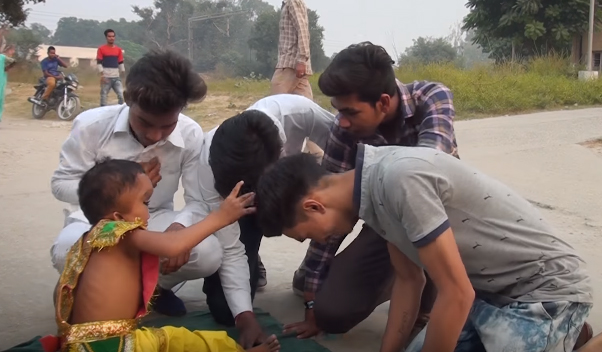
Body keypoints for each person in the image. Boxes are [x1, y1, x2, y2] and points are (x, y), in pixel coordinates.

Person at [255, 147, 593, 352]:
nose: (318, 241)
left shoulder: (399, 180)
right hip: (490, 297)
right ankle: (561, 338)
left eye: (306, 235)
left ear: (314, 207)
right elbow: (408, 281)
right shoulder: (373, 192)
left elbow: (456, 294)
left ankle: (575, 334)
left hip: (544, 292)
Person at [49, 49, 267, 347]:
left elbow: (195, 202)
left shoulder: (191, 134)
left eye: (167, 125)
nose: (155, 135)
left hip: (154, 219)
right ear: (128, 99)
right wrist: (116, 187)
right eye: (145, 123)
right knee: (66, 250)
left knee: (207, 253)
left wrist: (179, 226)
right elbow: (61, 184)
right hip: (95, 222)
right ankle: (101, 297)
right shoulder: (91, 125)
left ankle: (152, 291)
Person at [289, 41, 458, 341]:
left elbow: (428, 169)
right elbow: (331, 206)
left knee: (443, 305)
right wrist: (313, 292)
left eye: (350, 112)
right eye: (337, 110)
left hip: (441, 223)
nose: (341, 121)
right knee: (330, 311)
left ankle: (421, 289)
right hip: (388, 227)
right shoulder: (344, 131)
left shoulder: (432, 98)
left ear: (382, 102)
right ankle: (398, 276)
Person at [50, 158, 280, 352]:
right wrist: (221, 217)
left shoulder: (88, 241)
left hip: (78, 344)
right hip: (115, 345)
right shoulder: (120, 231)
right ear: (119, 217)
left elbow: (60, 293)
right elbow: (173, 246)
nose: (148, 210)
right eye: (145, 202)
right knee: (187, 341)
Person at [205, 94, 335, 291]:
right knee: (227, 302)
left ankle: (310, 272)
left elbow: (339, 146)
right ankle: (250, 260)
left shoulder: (299, 112)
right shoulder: (226, 147)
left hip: (289, 184)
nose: (301, 238)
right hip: (250, 193)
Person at [271, 0, 312, 100]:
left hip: (290, 63)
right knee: (305, 105)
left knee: (276, 101)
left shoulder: (293, 2)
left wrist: (302, 59)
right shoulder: (289, 3)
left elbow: (302, 29)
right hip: (292, 64)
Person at [97, 28, 125, 106]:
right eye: (109, 36)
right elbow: (99, 62)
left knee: (121, 95)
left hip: (116, 77)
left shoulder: (118, 50)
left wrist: (123, 72)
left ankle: (120, 110)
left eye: (113, 36)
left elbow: (120, 62)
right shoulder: (101, 49)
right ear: (106, 37)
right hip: (106, 77)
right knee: (104, 96)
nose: (111, 38)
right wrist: (102, 75)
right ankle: (102, 112)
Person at [0, 44, 16, 124]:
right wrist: (8, 68)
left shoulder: (2, 57)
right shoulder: (2, 57)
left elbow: (13, 61)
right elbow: (14, 61)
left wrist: (7, 68)